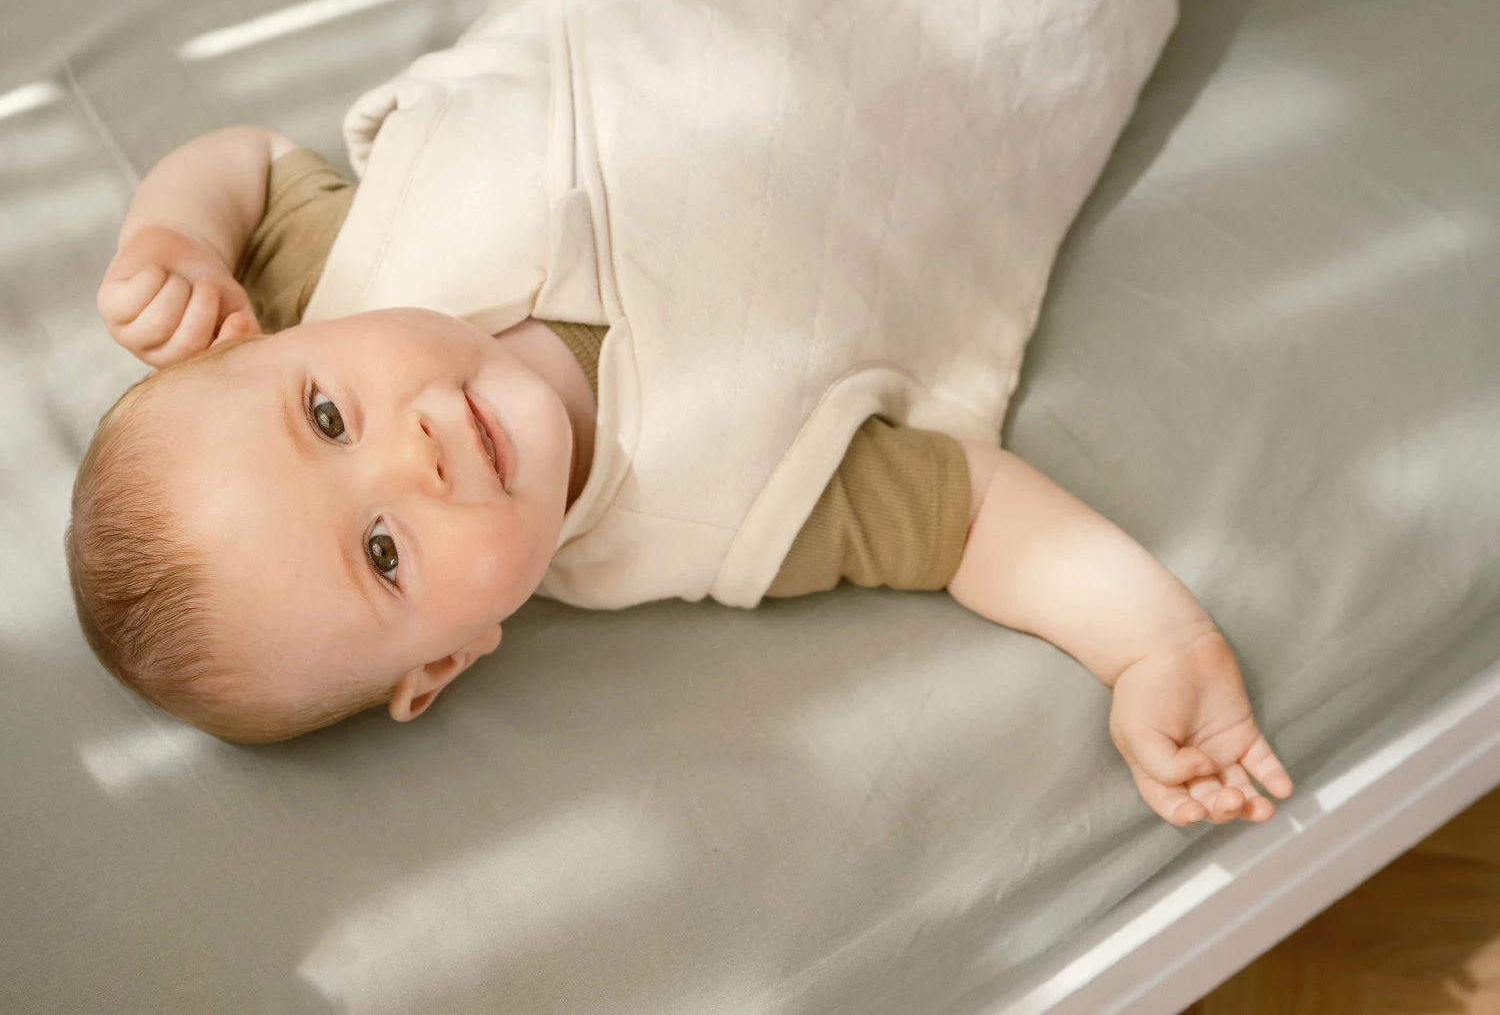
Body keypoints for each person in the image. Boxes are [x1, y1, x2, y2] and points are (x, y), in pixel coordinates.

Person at [69, 123, 1294, 830]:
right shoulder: (726, 509)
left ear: (268, 333)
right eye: (384, 553)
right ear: (443, 660)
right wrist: (1153, 644)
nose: (416, 453)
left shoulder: (344, 268)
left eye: (327, 415)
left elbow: (244, 158)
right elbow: (973, 519)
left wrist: (174, 236)